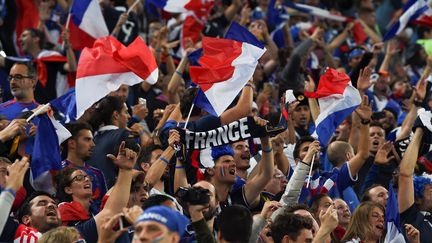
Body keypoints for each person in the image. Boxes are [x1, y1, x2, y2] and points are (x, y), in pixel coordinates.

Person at [62, 122, 107, 210]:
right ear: (72, 143)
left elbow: (104, 204)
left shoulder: (97, 173)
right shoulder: (59, 170)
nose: (93, 145)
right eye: (87, 139)